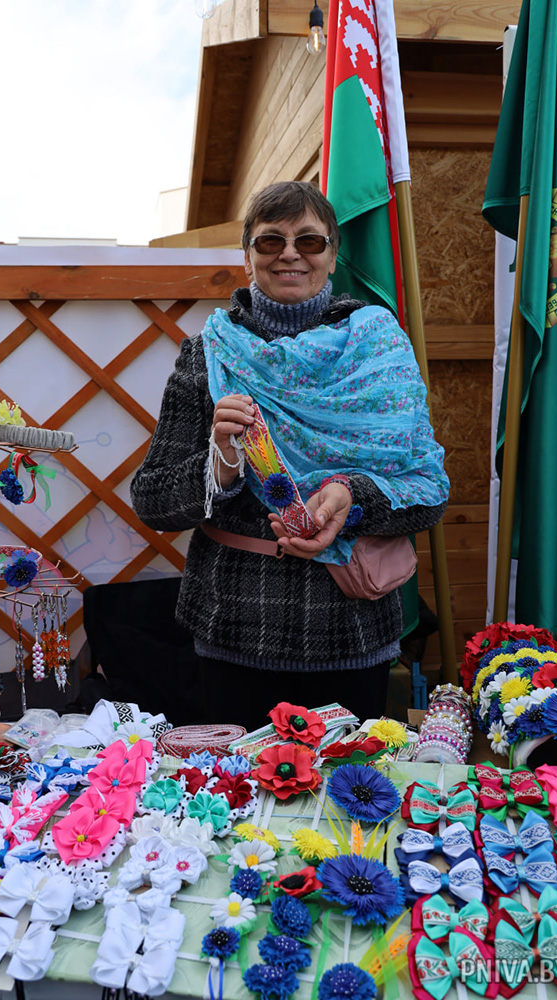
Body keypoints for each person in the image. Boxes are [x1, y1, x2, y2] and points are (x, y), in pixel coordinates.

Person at [131, 181, 449, 731]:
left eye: (309, 240)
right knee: (237, 785)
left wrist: (350, 496)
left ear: (333, 253)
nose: (290, 254)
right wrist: (220, 466)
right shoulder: (208, 353)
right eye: (270, 240)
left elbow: (426, 493)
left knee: (349, 782)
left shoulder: (378, 346)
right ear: (247, 255)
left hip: (351, 629)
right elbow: (152, 501)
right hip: (235, 631)